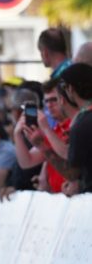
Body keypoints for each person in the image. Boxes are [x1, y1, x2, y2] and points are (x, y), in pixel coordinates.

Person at [25, 63, 92, 195]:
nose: (50, 105)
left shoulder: (82, 123)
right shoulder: (80, 123)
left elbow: (71, 173)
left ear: (70, 89)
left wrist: (42, 145)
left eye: (54, 99)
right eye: (47, 101)